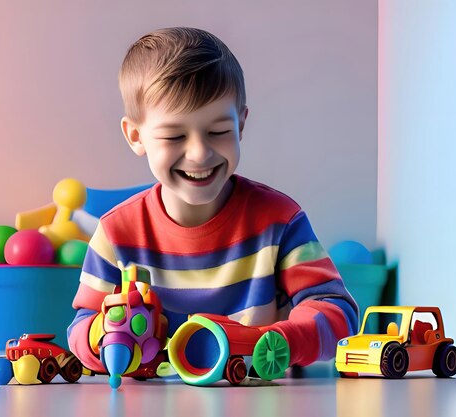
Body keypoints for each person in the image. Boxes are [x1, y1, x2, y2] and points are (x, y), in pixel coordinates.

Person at [67, 27, 358, 377]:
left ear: (241, 125)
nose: (200, 153)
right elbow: (80, 329)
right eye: (174, 135)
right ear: (135, 136)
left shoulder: (280, 221)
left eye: (218, 131)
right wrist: (104, 334)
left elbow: (336, 312)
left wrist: (282, 342)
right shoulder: (115, 233)